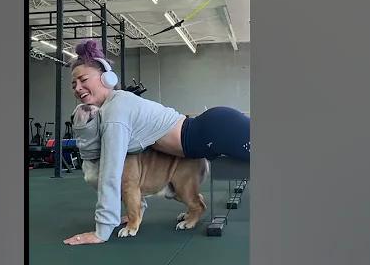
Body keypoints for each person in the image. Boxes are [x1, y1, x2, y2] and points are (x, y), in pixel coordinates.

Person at [63, 39, 250, 246]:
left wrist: (102, 230)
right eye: (74, 85)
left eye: (83, 79)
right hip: (209, 132)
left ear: (107, 78)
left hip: (216, 130)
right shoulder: (114, 105)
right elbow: (128, 176)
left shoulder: (115, 112)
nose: (78, 88)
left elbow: (111, 174)